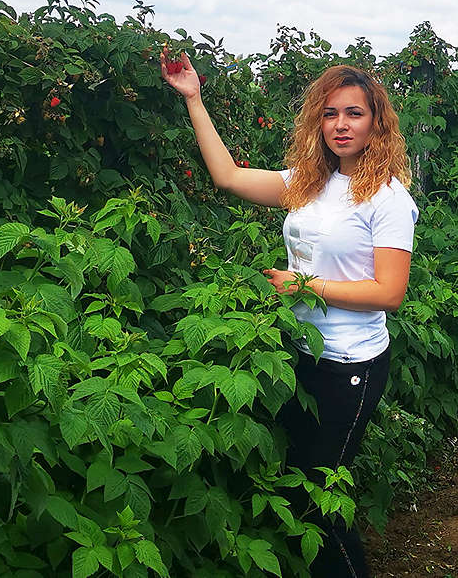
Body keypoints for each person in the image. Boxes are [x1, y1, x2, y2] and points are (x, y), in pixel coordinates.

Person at [162, 50, 418, 577]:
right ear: (317, 121)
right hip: (302, 354)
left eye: (354, 113)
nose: (341, 125)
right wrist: (195, 100)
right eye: (330, 114)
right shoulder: (308, 182)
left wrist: (307, 286)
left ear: (376, 123)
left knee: (319, 499)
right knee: (298, 482)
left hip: (351, 363)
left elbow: (390, 292)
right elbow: (228, 177)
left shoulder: (388, 199)